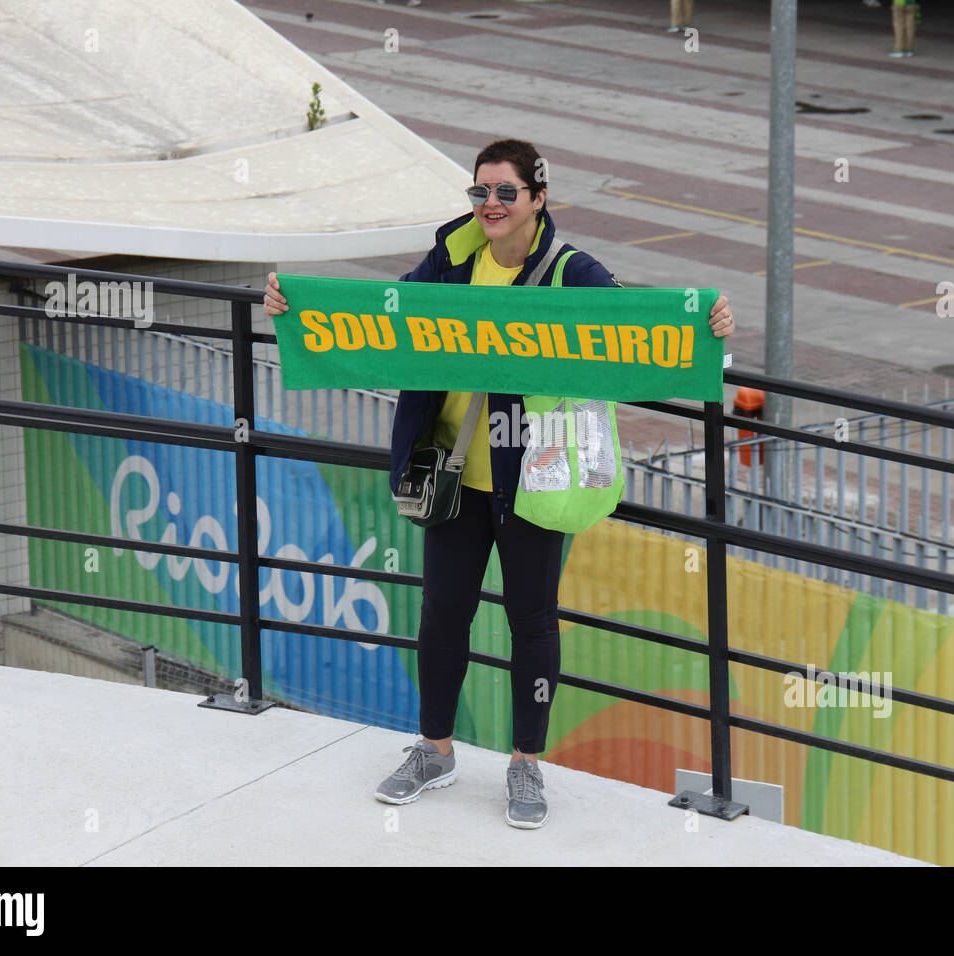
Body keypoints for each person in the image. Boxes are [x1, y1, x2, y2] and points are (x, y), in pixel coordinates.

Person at [263, 138, 735, 829]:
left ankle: (525, 764)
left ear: (537, 200)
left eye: (505, 192)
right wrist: (294, 304)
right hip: (455, 475)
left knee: (532, 622)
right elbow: (379, 314)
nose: (490, 204)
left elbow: (636, 325)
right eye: (480, 191)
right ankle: (434, 750)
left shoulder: (569, 272)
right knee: (442, 615)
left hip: (535, 481)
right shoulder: (451, 260)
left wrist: (709, 322)